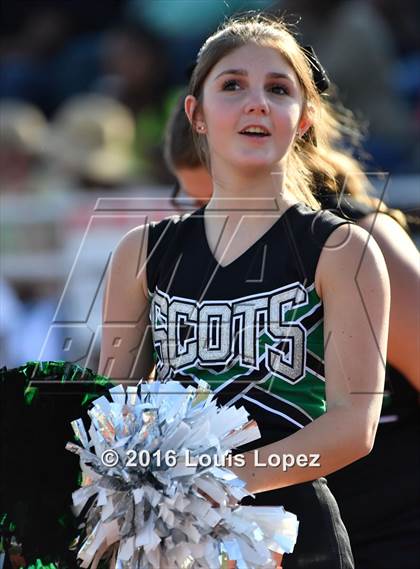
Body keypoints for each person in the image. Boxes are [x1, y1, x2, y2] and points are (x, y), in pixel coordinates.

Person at [100, 13, 391, 568]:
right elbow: (111, 412)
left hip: (291, 538)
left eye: (278, 90)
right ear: (196, 115)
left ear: (303, 119)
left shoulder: (342, 250)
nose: (257, 102)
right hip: (169, 544)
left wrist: (224, 482)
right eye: (232, 85)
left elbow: (355, 426)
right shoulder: (141, 252)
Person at [163, 71, 420, 569]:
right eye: (194, 203)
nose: (204, 217)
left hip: (393, 528)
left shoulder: (363, 240)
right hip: (280, 534)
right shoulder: (186, 263)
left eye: (208, 196)